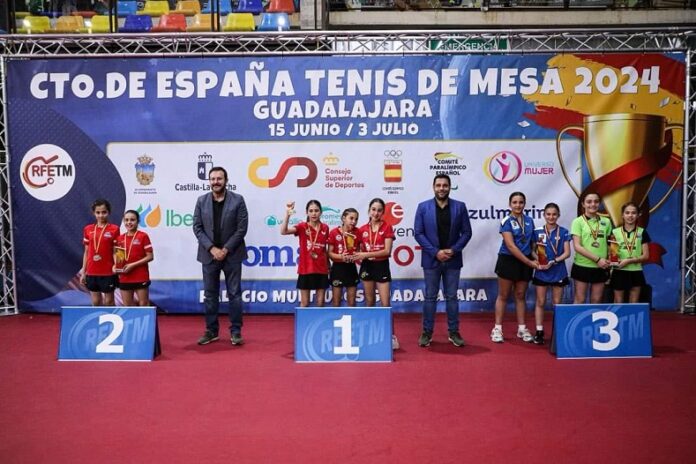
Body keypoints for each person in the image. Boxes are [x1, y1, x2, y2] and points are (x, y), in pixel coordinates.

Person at [414, 174, 472, 348]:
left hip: (453, 260)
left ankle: (454, 332)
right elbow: (418, 233)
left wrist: (453, 250)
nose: (441, 188)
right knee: (430, 297)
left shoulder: (460, 207)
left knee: (452, 297)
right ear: (433, 187)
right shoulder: (423, 207)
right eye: (438, 185)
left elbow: (467, 233)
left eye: (445, 185)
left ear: (450, 187)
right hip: (432, 260)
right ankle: (427, 333)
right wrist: (435, 252)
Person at [193, 166, 248, 346]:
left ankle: (236, 331)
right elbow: (197, 228)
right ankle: (211, 331)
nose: (216, 182)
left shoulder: (238, 200)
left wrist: (225, 249)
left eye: (219, 178)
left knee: (235, 294)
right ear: (209, 181)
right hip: (209, 256)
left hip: (232, 255)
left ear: (226, 180)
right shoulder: (201, 201)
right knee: (210, 295)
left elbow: (242, 229)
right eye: (213, 179)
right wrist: (212, 249)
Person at [491, 192, 538, 344]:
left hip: (525, 262)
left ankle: (522, 328)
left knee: (520, 295)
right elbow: (511, 246)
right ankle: (497, 328)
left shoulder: (530, 221)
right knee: (503, 295)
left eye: (521, 202)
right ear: (510, 204)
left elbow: (531, 247)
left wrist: (539, 260)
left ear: (525, 204)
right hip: (508, 260)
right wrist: (529, 262)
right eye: (515, 202)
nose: (518, 205)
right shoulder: (506, 221)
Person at [355, 198, 399, 349]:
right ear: (369, 210)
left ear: (383, 213)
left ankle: (391, 336)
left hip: (381, 266)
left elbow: (387, 251)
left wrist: (365, 254)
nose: (376, 213)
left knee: (385, 303)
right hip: (367, 267)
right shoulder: (361, 230)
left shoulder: (387, 227)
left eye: (379, 210)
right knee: (369, 302)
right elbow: (359, 249)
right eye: (373, 209)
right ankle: (371, 334)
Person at [531, 203, 571, 345]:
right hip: (542, 272)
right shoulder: (537, 231)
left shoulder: (564, 232)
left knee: (557, 303)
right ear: (544, 215)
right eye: (548, 214)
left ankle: (557, 332)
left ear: (558, 215)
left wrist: (553, 261)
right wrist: (539, 261)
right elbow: (532, 251)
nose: (551, 217)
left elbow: (567, 253)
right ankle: (539, 331)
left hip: (558, 272)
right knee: (540, 302)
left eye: (554, 214)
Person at [281, 200, 330, 307]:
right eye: (311, 211)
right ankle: (304, 324)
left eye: (316, 211)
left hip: (321, 269)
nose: (314, 213)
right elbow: (283, 231)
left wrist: (328, 266)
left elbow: (324, 249)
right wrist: (288, 214)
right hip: (305, 269)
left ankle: (319, 323)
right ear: (307, 212)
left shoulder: (325, 228)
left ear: (321, 212)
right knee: (305, 303)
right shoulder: (302, 227)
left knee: (320, 303)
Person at [570, 191, 612, 304]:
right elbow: (577, 246)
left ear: (599, 203)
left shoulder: (606, 222)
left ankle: (593, 322)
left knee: (596, 300)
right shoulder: (577, 222)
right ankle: (576, 322)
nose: (592, 204)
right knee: (580, 299)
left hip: (601, 267)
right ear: (583, 204)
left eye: (596, 201)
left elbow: (609, 244)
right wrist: (598, 259)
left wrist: (610, 259)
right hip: (582, 265)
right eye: (589, 202)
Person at [80, 199, 120, 306]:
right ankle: (97, 322)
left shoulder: (114, 229)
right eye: (98, 213)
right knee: (96, 301)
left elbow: (116, 251)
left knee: (109, 301)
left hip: (108, 271)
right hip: (92, 271)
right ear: (94, 213)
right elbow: (86, 251)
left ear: (108, 212)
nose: (101, 215)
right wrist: (84, 272)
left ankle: (112, 321)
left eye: (104, 212)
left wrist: (117, 265)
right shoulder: (88, 229)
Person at [609, 202, 650, 303]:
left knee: (634, 303)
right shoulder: (615, 232)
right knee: (618, 301)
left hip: (636, 271)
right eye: (627, 213)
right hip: (619, 271)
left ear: (638, 215)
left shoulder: (642, 232)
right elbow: (613, 255)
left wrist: (628, 261)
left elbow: (646, 256)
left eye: (633, 213)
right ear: (622, 215)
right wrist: (614, 263)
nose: (630, 215)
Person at [114, 210, 154, 306]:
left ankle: (148, 321)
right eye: (126, 220)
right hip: (125, 276)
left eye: (132, 220)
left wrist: (133, 265)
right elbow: (119, 258)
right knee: (128, 306)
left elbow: (150, 256)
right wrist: (115, 266)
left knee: (144, 304)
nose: (129, 222)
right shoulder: (120, 238)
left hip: (140, 276)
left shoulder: (143, 236)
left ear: (137, 221)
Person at [328, 208, 361, 307]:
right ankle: (335, 321)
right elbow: (329, 253)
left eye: (356, 219)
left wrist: (355, 256)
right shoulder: (334, 232)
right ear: (343, 218)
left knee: (352, 302)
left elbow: (359, 250)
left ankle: (353, 322)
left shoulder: (357, 232)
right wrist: (341, 257)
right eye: (351, 218)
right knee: (336, 302)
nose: (353, 221)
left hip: (351, 268)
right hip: (338, 268)